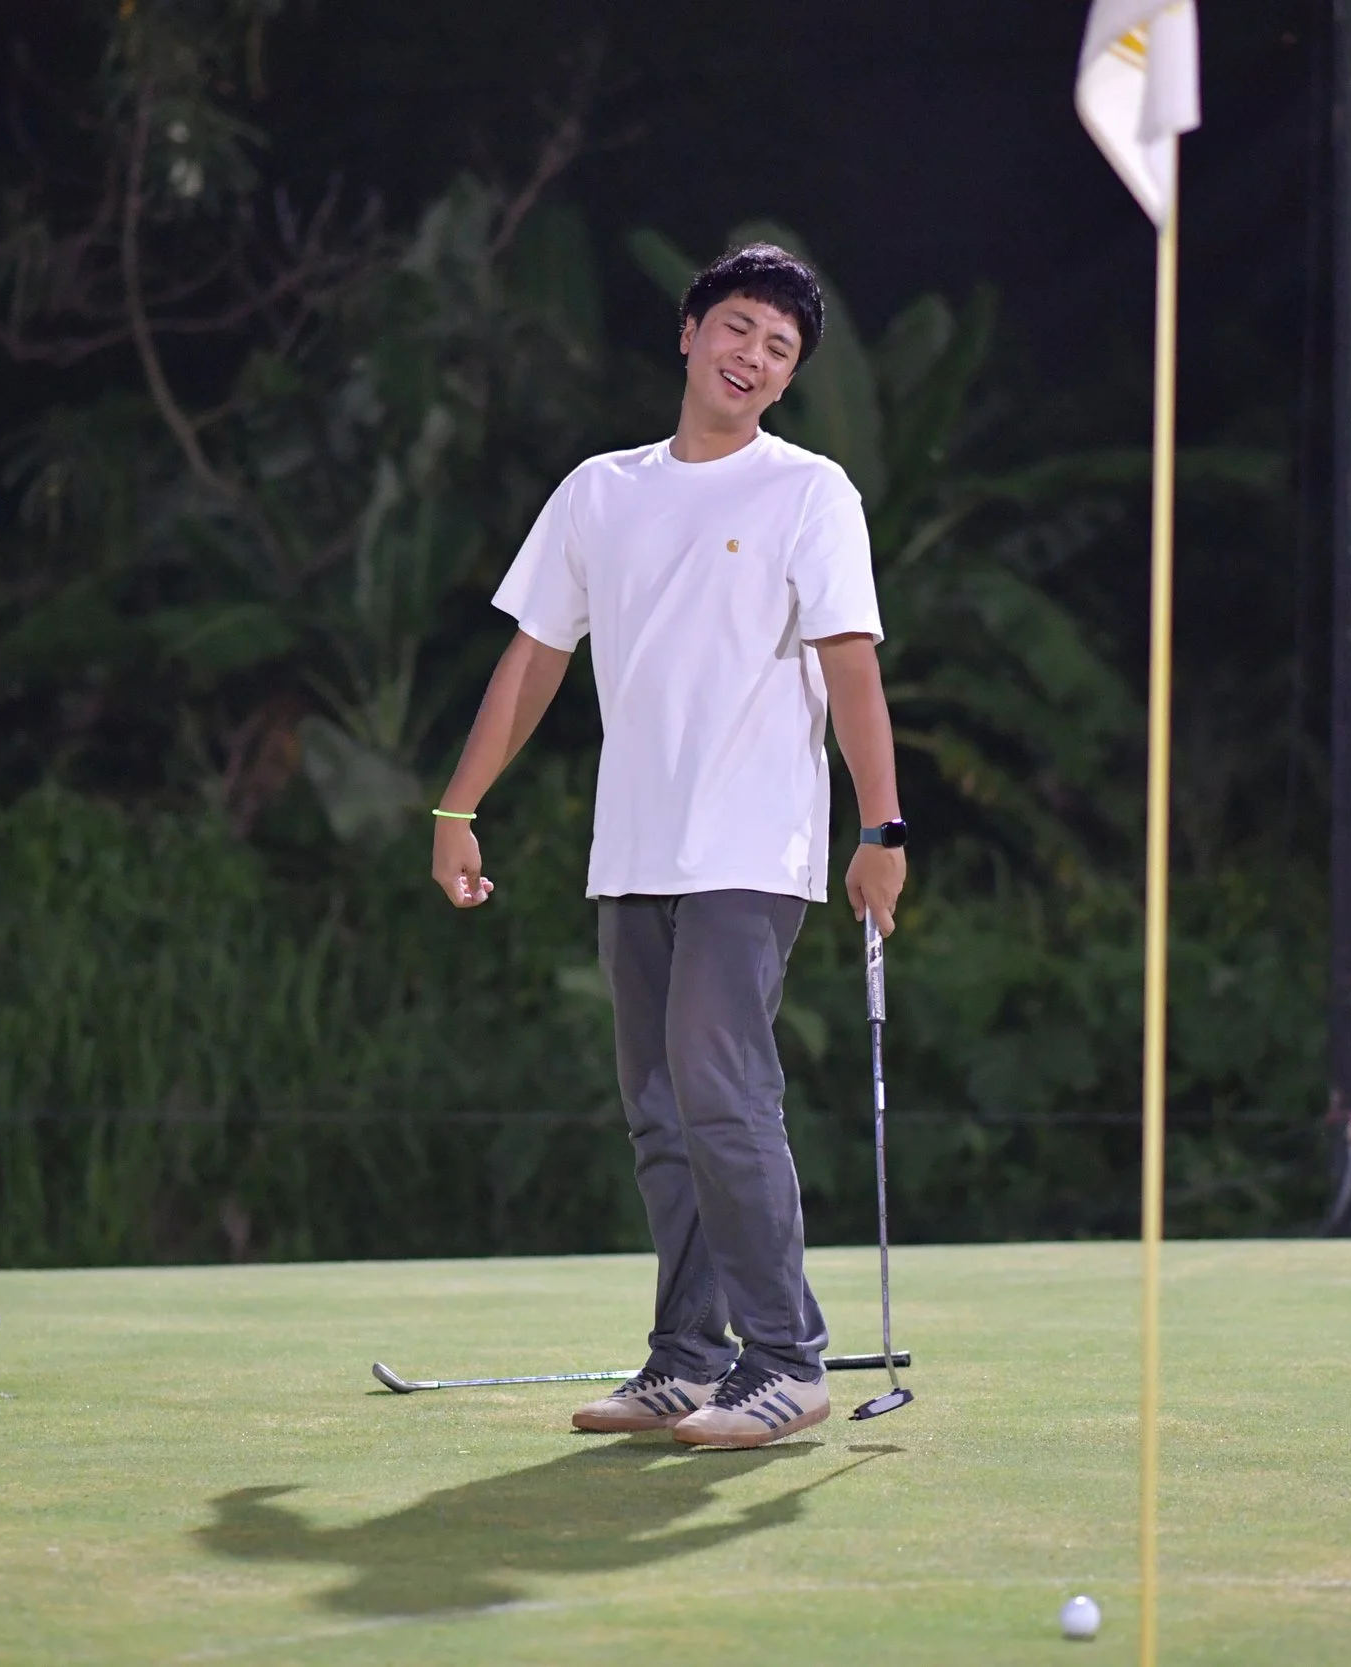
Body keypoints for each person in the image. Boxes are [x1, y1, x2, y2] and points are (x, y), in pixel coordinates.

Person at [428, 243, 906, 1448]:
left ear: (788, 378)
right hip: (632, 849)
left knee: (719, 1089)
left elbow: (850, 664)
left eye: (779, 349)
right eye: (738, 329)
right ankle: (687, 1359)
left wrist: (880, 824)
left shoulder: (809, 491)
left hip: (753, 844)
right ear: (689, 331)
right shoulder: (601, 490)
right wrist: (455, 806)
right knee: (656, 1108)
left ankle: (787, 1359)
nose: (753, 357)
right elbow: (535, 656)